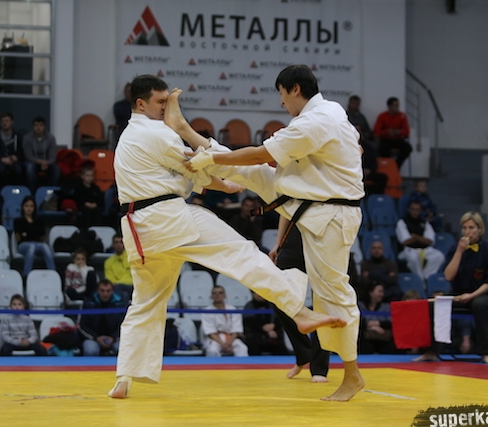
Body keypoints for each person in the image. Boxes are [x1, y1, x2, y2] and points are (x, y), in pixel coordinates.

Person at [108, 74, 343, 399]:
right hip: (168, 218)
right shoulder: (156, 132)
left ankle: (124, 377)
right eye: (160, 102)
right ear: (140, 103)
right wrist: (229, 185)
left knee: (145, 302)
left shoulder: (128, 137)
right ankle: (299, 312)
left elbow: (188, 170)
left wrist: (220, 181)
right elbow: (196, 166)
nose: (164, 107)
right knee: (241, 253)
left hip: (138, 229)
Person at [170, 64, 365, 401]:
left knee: (334, 291)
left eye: (281, 94)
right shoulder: (330, 110)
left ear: (294, 89)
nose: (281, 102)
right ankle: (185, 129)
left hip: (330, 213)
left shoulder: (314, 121)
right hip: (308, 197)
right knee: (254, 173)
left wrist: (208, 161)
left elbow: (260, 152)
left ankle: (353, 375)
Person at [415, 211, 488, 364]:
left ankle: (484, 353)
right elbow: (448, 276)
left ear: (480, 229)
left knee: (481, 305)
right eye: (464, 228)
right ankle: (432, 351)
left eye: (471, 228)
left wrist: (471, 295)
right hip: (456, 294)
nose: (467, 232)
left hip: (479, 294)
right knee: (434, 305)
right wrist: (459, 252)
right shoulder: (455, 248)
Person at [269, 222, 330, 383]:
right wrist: (278, 243)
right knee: (277, 295)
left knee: (322, 303)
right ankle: (303, 353)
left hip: (321, 240)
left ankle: (319, 368)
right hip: (293, 239)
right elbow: (285, 212)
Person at [396, 200, 445, 282]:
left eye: (417, 209)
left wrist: (415, 237)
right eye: (413, 209)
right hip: (409, 249)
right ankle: (419, 280)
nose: (415, 212)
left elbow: (430, 241)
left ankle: (426, 278)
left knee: (439, 256)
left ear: (420, 210)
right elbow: (405, 241)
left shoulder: (424, 222)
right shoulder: (402, 222)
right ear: (409, 209)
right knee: (413, 258)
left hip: (425, 249)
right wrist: (422, 238)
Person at [80, 279, 126, 356]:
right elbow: (82, 325)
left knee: (122, 349)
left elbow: (125, 325)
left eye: (108, 291)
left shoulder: (120, 304)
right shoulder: (88, 303)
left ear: (112, 291)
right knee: (90, 350)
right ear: (97, 290)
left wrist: (113, 337)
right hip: (93, 339)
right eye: (102, 291)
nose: (105, 294)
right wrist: (96, 338)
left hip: (115, 339)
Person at [201, 285, 249, 357]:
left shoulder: (232, 309)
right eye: (215, 293)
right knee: (212, 349)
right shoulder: (207, 311)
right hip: (215, 339)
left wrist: (229, 343)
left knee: (242, 348)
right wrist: (223, 345)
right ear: (211, 296)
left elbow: (236, 330)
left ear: (225, 295)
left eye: (220, 293)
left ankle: (241, 365)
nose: (217, 295)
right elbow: (210, 333)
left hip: (231, 338)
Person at [13, 196, 56, 277]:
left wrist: (26, 234)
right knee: (31, 247)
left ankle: (53, 274)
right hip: (23, 245)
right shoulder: (18, 221)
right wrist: (33, 234)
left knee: (45, 247)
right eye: (26, 206)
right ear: (23, 207)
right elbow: (18, 237)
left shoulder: (40, 221)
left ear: (34, 208)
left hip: (38, 244)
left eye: (31, 206)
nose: (29, 208)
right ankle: (26, 275)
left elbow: (42, 237)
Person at [242, 290, 288, 356]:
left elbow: (281, 319)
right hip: (256, 335)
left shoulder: (273, 305)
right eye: (256, 292)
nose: (259, 294)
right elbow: (249, 321)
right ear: (252, 294)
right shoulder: (248, 306)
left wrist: (274, 325)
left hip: (274, 333)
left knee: (281, 347)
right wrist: (263, 327)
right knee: (252, 342)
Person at [22, 116, 61, 191]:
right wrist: (41, 162)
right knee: (29, 168)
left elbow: (52, 156)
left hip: (47, 163)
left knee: (56, 169)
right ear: (33, 127)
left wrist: (47, 163)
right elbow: (28, 156)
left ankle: (51, 192)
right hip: (33, 163)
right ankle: (32, 192)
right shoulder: (27, 138)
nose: (38, 128)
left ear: (44, 127)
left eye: (41, 125)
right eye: (36, 125)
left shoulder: (51, 138)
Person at [373, 97, 412, 168]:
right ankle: (389, 166)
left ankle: (396, 166)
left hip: (398, 139)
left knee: (408, 148)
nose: (397, 107)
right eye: (395, 105)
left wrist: (399, 132)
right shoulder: (382, 116)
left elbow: (407, 131)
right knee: (383, 149)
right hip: (386, 140)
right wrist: (387, 132)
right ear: (389, 106)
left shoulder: (402, 116)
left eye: (398, 105)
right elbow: (376, 131)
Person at [358, 283, 396, 354]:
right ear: (370, 292)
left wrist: (378, 323)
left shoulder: (386, 307)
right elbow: (357, 322)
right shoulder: (360, 306)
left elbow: (391, 322)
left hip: (384, 339)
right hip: (364, 340)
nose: (382, 294)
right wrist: (371, 327)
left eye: (383, 292)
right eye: (380, 291)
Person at [0, 112, 24, 187]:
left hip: (13, 160)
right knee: (0, 169)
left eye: (6, 121)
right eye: (2, 121)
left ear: (12, 122)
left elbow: (21, 152)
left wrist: (16, 157)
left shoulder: (18, 135)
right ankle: (2, 190)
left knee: (18, 169)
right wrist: (1, 158)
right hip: (0, 159)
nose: (4, 123)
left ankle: (15, 190)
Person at [103, 235, 133, 306]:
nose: (119, 245)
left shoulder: (132, 258)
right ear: (112, 245)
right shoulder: (108, 262)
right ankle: (123, 311)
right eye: (116, 242)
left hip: (133, 287)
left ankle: (121, 311)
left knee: (119, 288)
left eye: (121, 242)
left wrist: (122, 283)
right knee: (124, 294)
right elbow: (111, 281)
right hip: (118, 288)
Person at [72, 164, 104, 229]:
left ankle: (97, 229)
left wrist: (96, 204)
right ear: (82, 176)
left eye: (91, 176)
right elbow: (77, 198)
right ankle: (86, 230)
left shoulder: (95, 188)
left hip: (95, 206)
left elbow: (100, 198)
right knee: (87, 212)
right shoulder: (78, 187)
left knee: (98, 211)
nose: (89, 178)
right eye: (87, 175)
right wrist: (85, 203)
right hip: (83, 206)